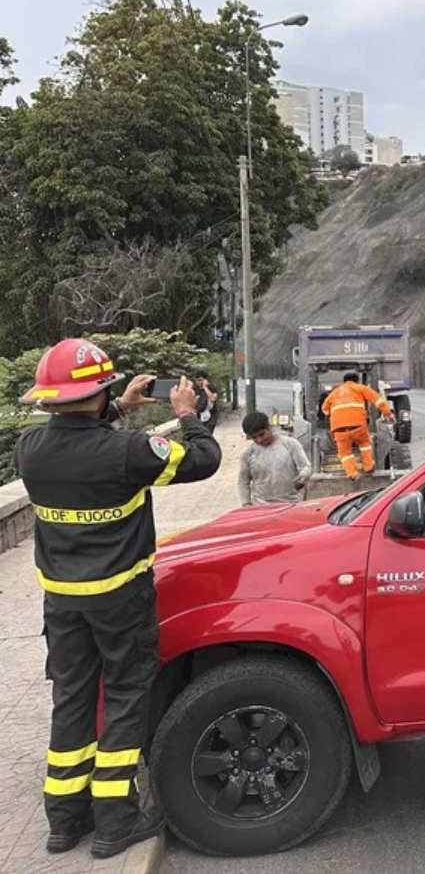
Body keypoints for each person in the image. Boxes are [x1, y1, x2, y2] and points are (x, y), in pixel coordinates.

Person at [15, 339, 221, 858]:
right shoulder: (126, 453)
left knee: (73, 698)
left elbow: (80, 440)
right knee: (127, 696)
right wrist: (187, 413)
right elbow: (203, 459)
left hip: (61, 602)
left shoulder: (30, 450)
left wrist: (119, 408)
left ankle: (64, 820)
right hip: (120, 599)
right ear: (102, 391)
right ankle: (116, 821)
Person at [320, 373, 394, 480]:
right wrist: (388, 414)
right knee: (365, 444)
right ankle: (368, 467)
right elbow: (377, 400)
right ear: (357, 381)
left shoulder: (334, 393)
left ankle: (352, 473)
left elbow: (324, 409)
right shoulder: (360, 388)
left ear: (344, 382)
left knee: (344, 453)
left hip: (339, 430)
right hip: (358, 426)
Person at [238, 411, 313, 505]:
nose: (259, 440)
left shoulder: (290, 444)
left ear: (269, 427)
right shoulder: (248, 454)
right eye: (254, 437)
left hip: (291, 504)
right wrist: (246, 504)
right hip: (262, 506)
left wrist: (302, 477)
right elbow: (243, 482)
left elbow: (306, 467)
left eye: (262, 434)